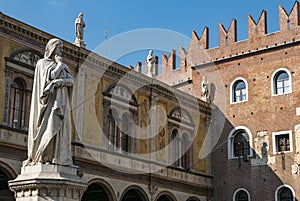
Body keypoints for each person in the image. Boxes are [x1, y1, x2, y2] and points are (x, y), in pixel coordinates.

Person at [23, 38, 74, 166]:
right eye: (59, 48)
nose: (61, 50)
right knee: (49, 127)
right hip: (49, 104)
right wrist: (59, 65)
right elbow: (51, 76)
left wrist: (59, 82)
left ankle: (58, 158)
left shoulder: (63, 65)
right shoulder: (42, 63)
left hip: (61, 102)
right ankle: (44, 156)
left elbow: (71, 80)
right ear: (52, 48)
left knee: (60, 129)